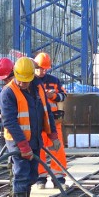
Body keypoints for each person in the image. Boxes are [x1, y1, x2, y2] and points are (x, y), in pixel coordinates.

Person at [0, 57, 60, 197]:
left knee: (33, 175)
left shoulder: (37, 87)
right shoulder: (8, 93)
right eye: (20, 80)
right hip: (17, 142)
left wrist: (53, 134)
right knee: (21, 175)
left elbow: (46, 112)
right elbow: (10, 122)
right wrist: (23, 146)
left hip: (35, 139)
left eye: (26, 81)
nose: (23, 84)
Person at [33, 52, 68, 189]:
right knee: (39, 149)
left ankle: (58, 177)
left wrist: (53, 96)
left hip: (53, 121)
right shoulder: (30, 81)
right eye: (40, 68)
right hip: (38, 122)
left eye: (45, 69)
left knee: (57, 148)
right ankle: (40, 177)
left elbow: (63, 96)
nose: (42, 71)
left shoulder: (54, 81)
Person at [0, 56, 15, 197]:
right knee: (20, 169)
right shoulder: (22, 86)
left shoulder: (9, 90)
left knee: (15, 169)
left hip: (13, 136)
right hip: (20, 135)